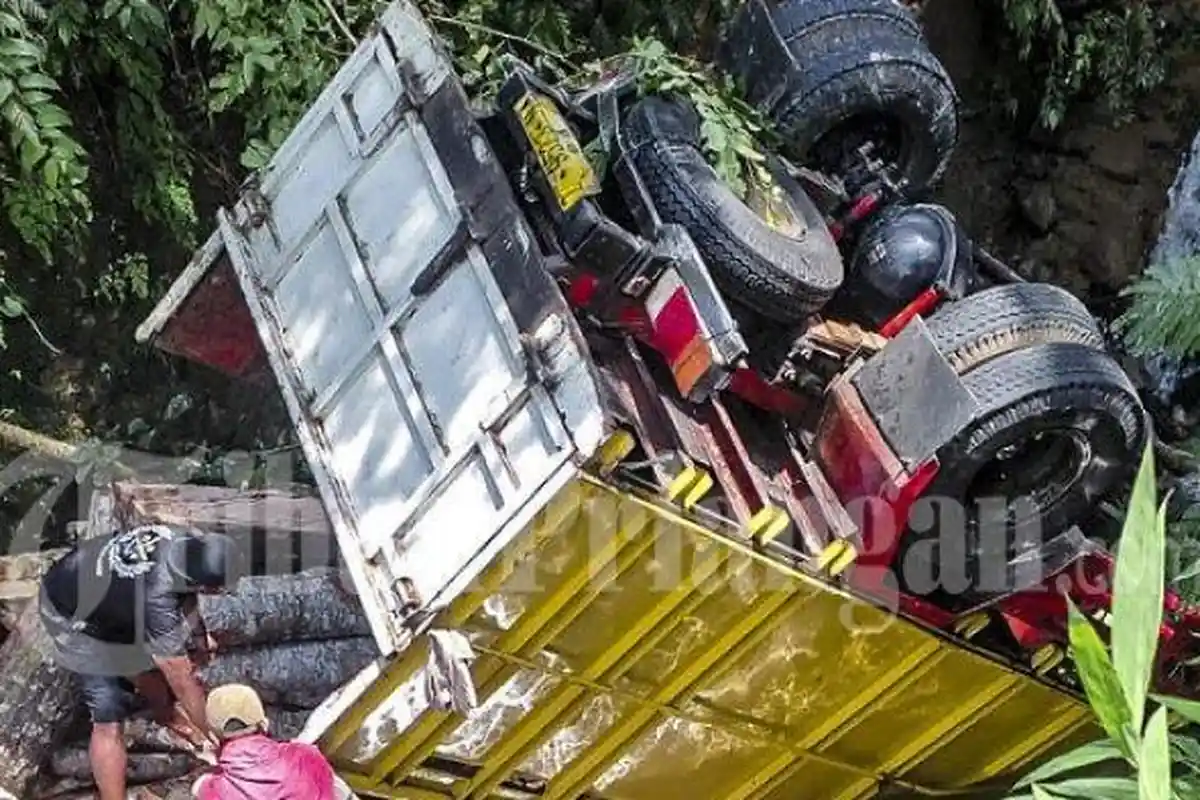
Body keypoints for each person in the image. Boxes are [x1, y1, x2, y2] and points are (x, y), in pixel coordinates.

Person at [38, 524, 244, 800]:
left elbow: (187, 595)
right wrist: (220, 738)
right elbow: (181, 679)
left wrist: (199, 638)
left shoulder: (185, 541)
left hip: (109, 593)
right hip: (68, 611)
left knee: (149, 665)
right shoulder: (157, 597)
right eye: (217, 590)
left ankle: (165, 715)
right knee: (109, 714)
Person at [191, 683, 354, 799]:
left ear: (214, 738)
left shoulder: (212, 790)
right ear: (265, 724)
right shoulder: (305, 757)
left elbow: (199, 787)